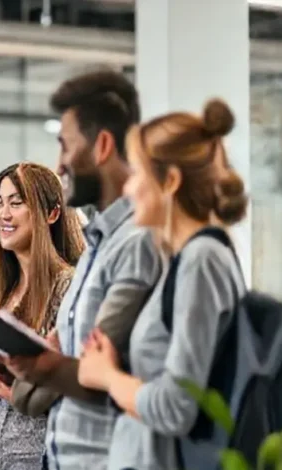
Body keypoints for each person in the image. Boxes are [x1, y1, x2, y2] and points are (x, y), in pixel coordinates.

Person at [5, 70, 163, 470]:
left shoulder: (138, 243)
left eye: (66, 146)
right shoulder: (95, 247)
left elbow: (100, 378)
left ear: (103, 145)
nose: (59, 164)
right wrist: (50, 367)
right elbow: (34, 393)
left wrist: (48, 366)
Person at [77, 99, 248, 470]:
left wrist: (108, 377)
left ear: (170, 181)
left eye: (137, 173)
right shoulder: (181, 261)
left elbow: (177, 406)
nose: (128, 188)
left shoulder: (202, 261)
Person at [0, 162, 85, 470]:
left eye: (16, 203)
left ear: (52, 213)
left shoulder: (68, 287)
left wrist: (1, 387)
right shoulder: (1, 293)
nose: (4, 214)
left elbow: (68, 389)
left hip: (43, 458)